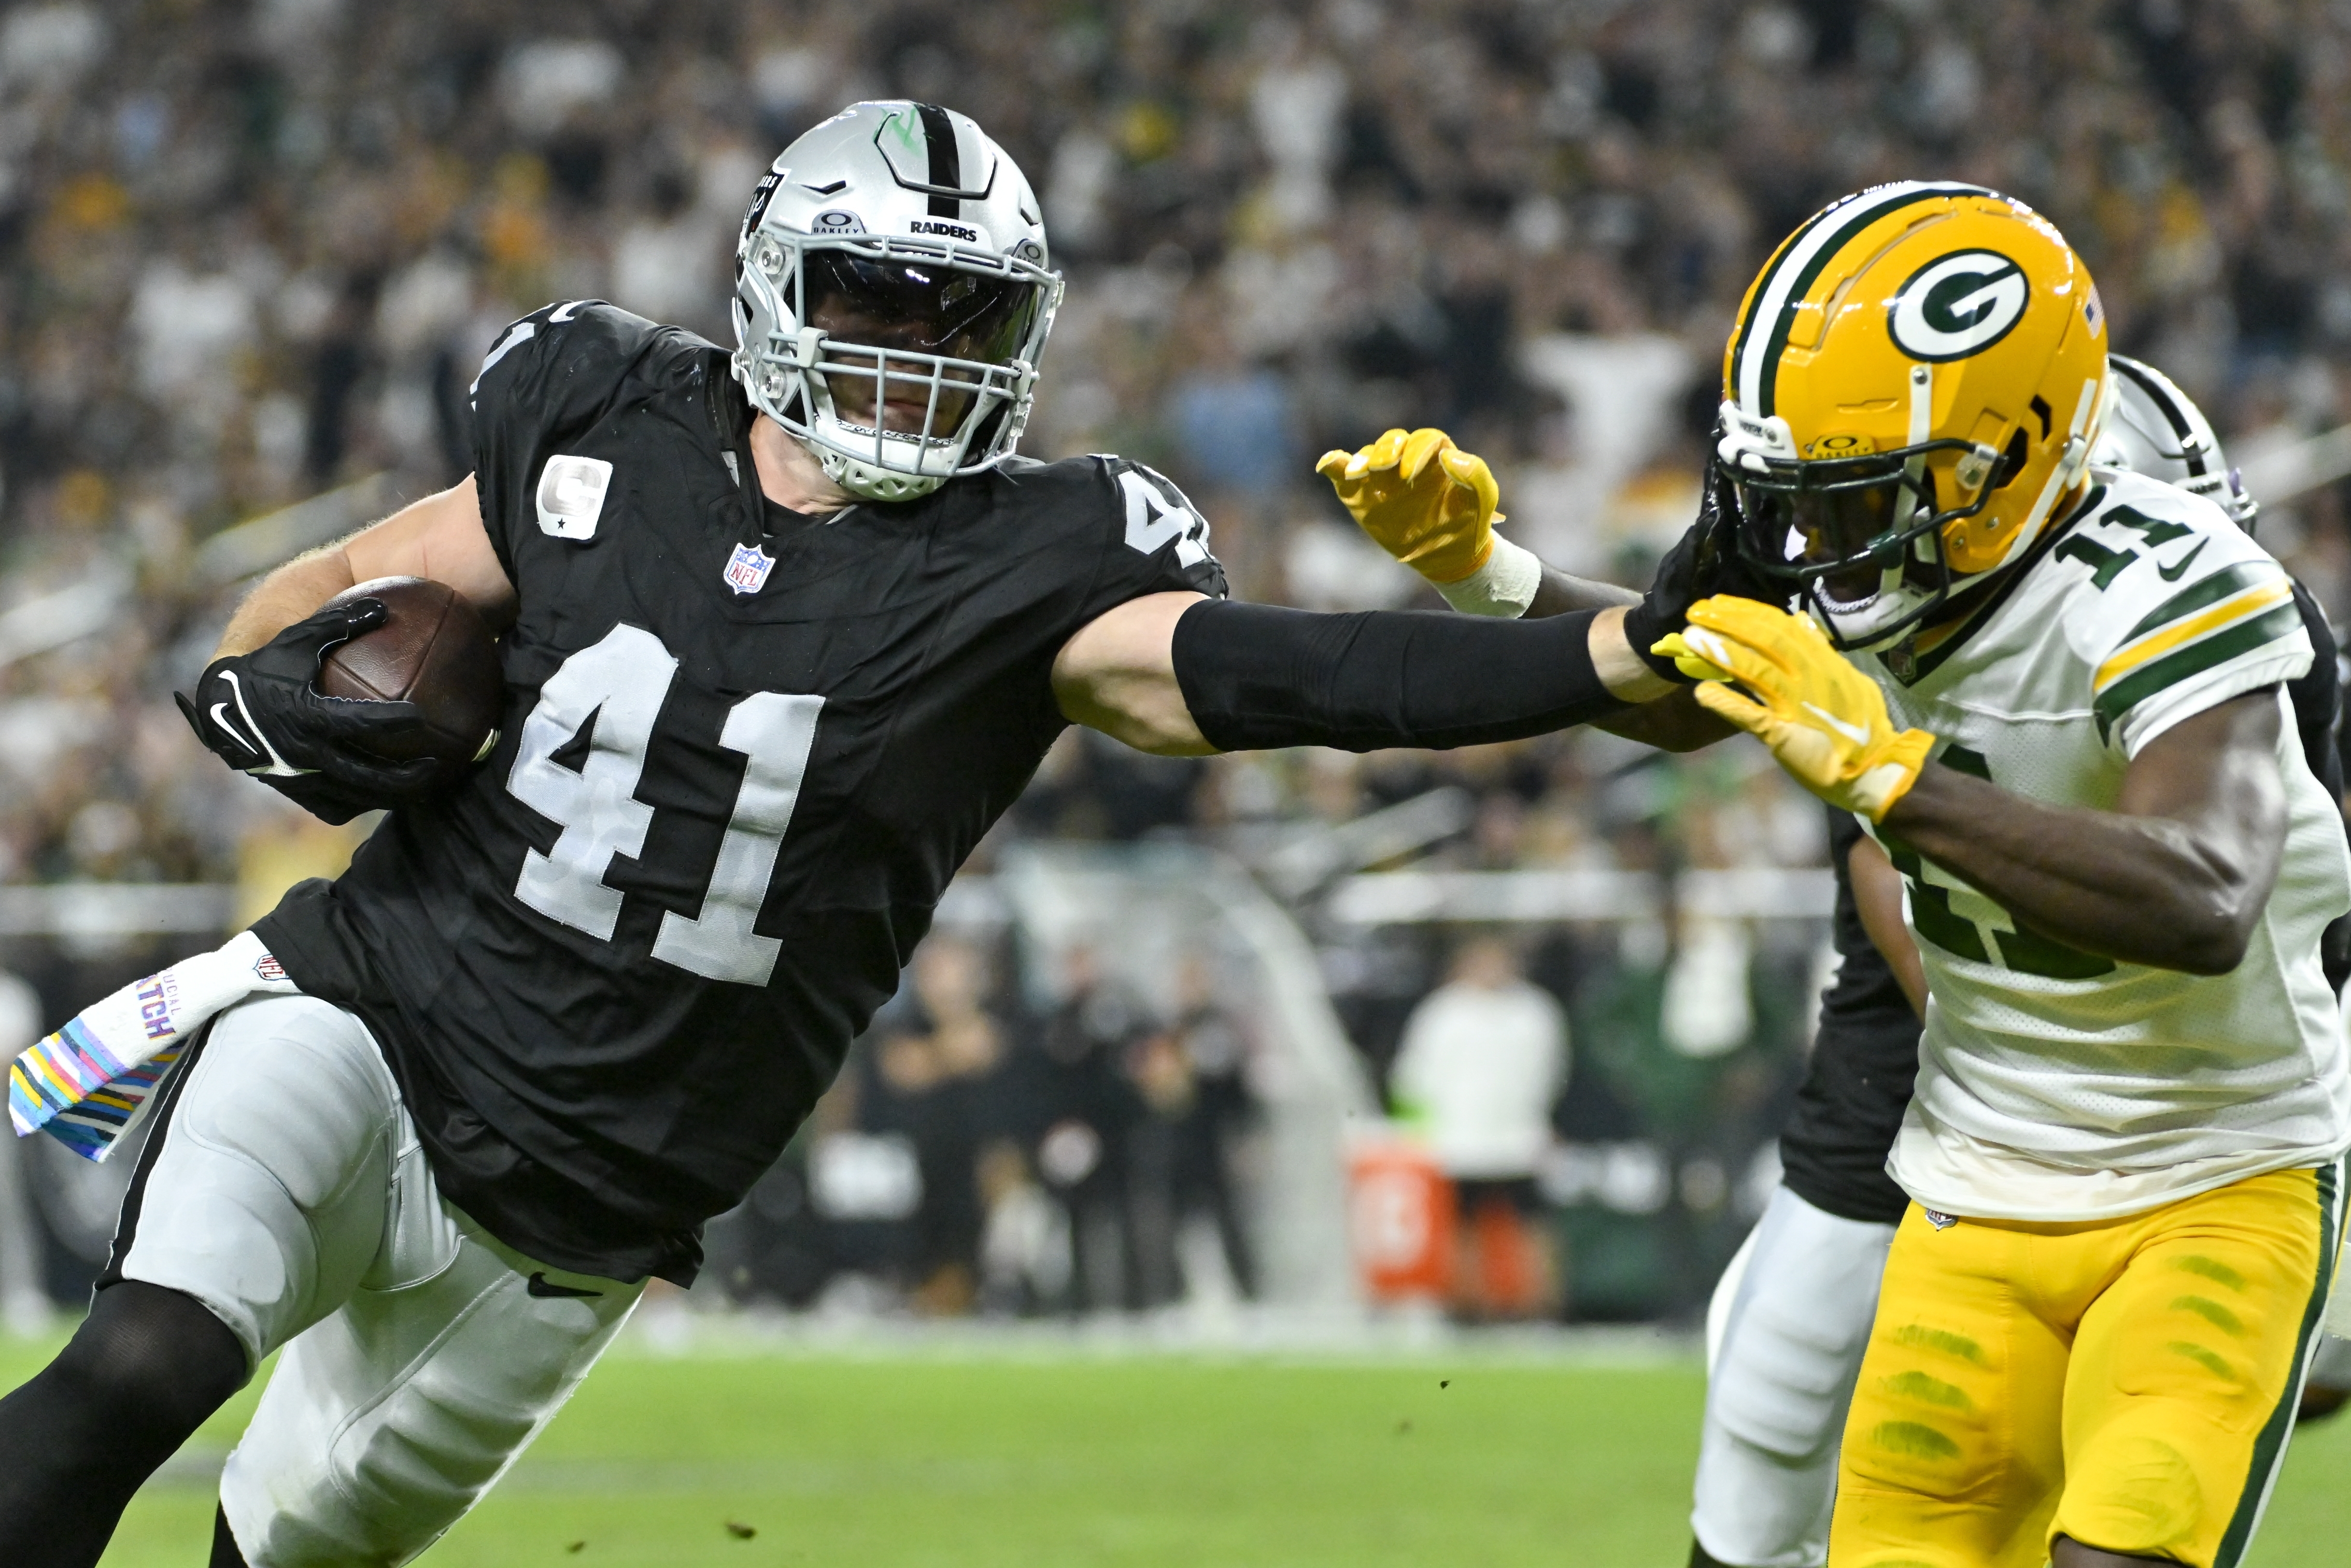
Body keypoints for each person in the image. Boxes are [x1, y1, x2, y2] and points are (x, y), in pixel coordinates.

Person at [0, 100, 1737, 1568]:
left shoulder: (1031, 558)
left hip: (582, 1206)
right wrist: (246, 672)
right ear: (775, 280)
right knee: (138, 1362)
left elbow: (1272, 672)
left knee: (280, 1549)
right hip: (366, 1020)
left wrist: (1576, 652)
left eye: (958, 315)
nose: (912, 347)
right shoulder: (609, 416)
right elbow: (328, 583)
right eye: (876, 297)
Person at [1656, 183, 2345, 1568]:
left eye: (1856, 503)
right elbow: (1678, 671)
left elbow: (2227, 903)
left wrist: (1901, 785)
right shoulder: (1898, 594)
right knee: (1784, 1412)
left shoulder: (2184, 611)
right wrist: (1492, 583)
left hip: (2218, 1136)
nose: (1826, 549)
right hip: (1971, 1130)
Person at [1389, 935, 1568, 1319]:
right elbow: (1415, 1078)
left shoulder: (1533, 1012)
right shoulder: (1444, 1013)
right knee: (1463, 1228)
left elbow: (1549, 1072)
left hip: (1518, 1138)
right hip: (1461, 1140)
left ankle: (1540, 1307)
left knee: (1530, 1226)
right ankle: (1466, 1308)